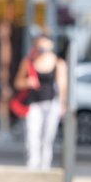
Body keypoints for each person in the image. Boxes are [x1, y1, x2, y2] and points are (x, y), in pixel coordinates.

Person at [14, 36, 68, 170]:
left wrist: (62, 105)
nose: (42, 51)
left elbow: (62, 86)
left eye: (46, 48)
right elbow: (17, 83)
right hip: (34, 104)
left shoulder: (58, 63)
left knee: (48, 137)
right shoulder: (28, 62)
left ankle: (45, 165)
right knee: (33, 134)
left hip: (51, 103)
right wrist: (27, 82)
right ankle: (32, 164)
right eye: (40, 48)